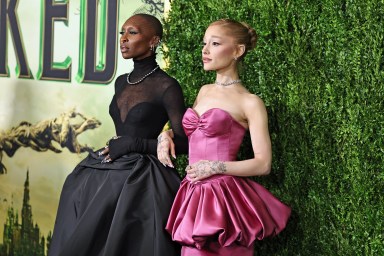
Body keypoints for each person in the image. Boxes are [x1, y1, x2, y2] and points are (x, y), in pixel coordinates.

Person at [49, 14, 187, 256]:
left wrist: (136, 144)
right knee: (74, 187)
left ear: (153, 40)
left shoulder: (167, 86)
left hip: (142, 175)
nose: (123, 39)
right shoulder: (121, 81)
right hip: (108, 165)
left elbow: (184, 142)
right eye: (122, 33)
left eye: (132, 33)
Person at [157, 19, 291, 256]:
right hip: (192, 195)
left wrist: (216, 167)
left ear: (238, 51)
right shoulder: (204, 91)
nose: (205, 50)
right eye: (204, 43)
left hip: (223, 201)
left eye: (215, 43)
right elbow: (195, 138)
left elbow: (263, 163)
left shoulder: (250, 102)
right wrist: (166, 135)